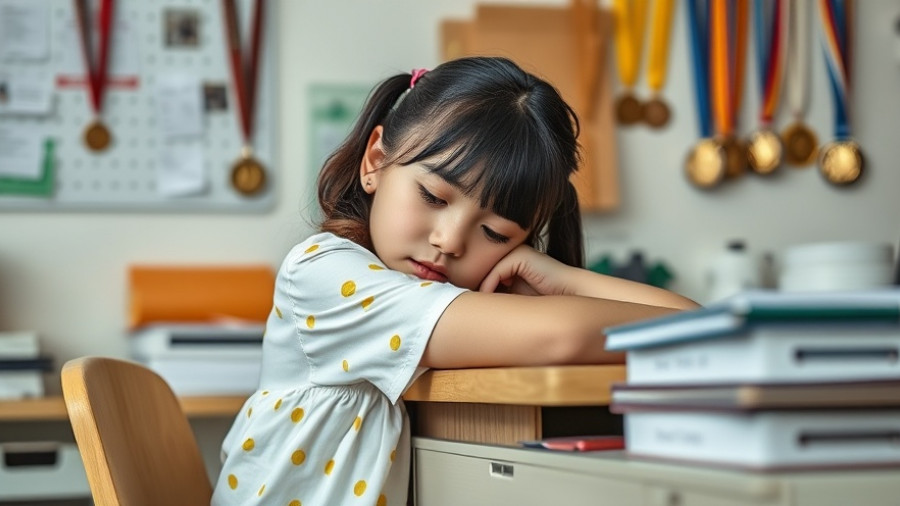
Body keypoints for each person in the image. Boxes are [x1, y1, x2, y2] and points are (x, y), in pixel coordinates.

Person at [211, 56, 698, 506]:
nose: (449, 241)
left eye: (494, 232)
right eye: (433, 196)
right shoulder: (324, 271)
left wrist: (561, 276)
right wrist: (569, 292)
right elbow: (565, 336)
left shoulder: (443, 300)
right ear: (375, 161)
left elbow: (693, 324)